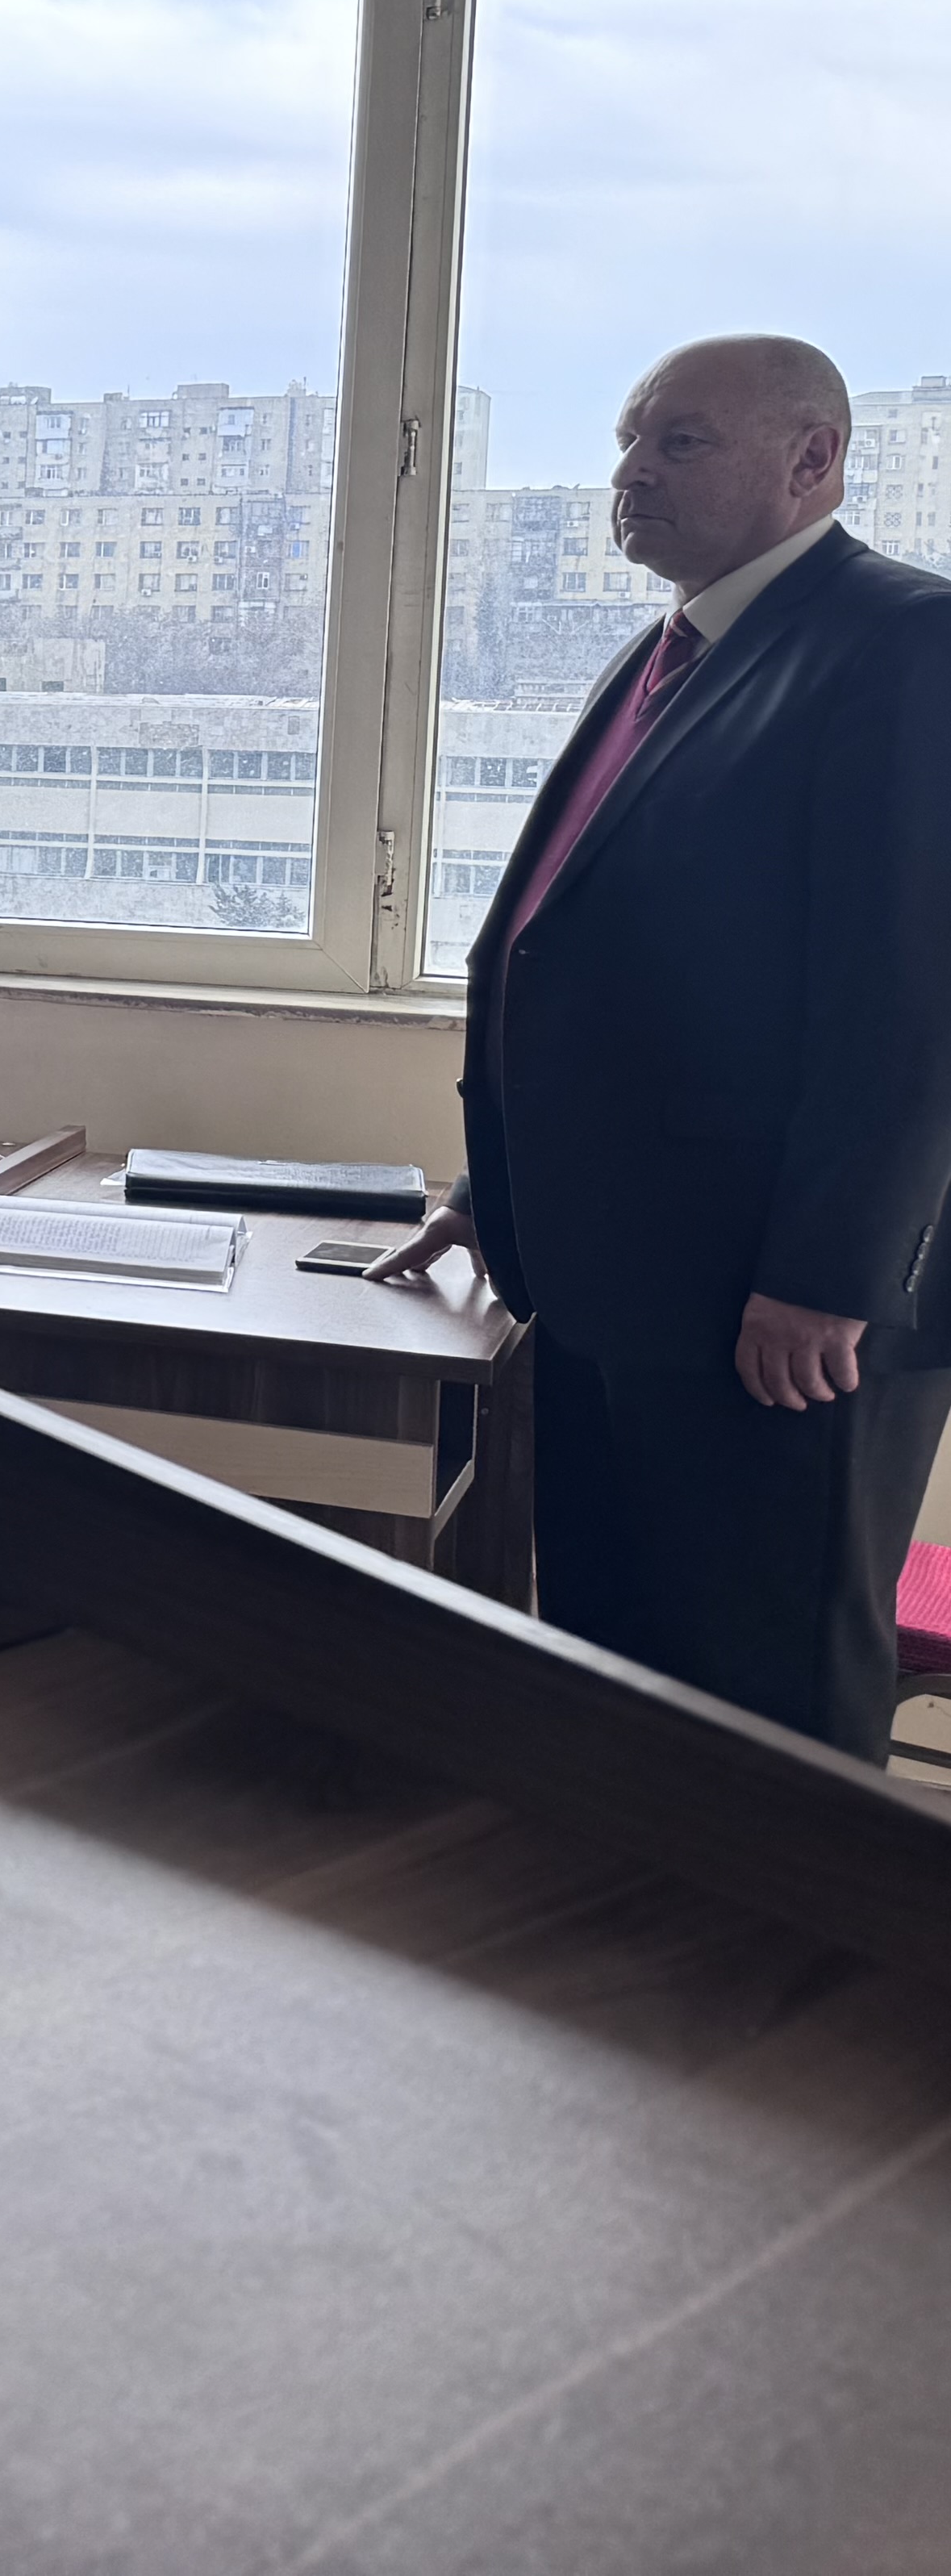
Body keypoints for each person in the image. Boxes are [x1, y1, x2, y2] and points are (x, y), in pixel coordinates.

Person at [377, 334, 951, 1756]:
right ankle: (615, 1904)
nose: (631, 473)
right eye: (628, 442)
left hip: (776, 1317)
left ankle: (776, 1914)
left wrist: (824, 1275)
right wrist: (493, 1193)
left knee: (766, 1709)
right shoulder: (674, 646)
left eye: (679, 442)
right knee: (617, 1677)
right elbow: (608, 975)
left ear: (813, 457)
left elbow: (909, 996)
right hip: (609, 1286)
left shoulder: (903, 643)